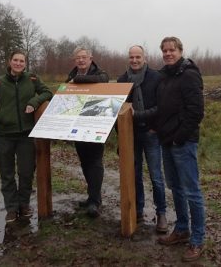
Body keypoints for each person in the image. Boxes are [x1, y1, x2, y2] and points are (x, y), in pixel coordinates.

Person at [0, 50, 53, 223]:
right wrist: (2, 118)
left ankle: (24, 205)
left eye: (22, 61)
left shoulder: (32, 79)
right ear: (10, 61)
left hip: (26, 136)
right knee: (7, 174)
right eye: (15, 60)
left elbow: (47, 93)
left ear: (25, 63)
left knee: (26, 172)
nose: (18, 63)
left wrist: (34, 102)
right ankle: (12, 209)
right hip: (2, 136)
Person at [155, 37, 206, 262]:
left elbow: (196, 112)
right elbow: (162, 108)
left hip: (182, 143)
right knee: (175, 188)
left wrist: (178, 138)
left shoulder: (189, 75)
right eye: (165, 51)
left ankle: (197, 240)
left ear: (180, 51)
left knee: (192, 191)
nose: (168, 54)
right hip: (166, 141)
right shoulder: (164, 75)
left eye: (172, 50)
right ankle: (182, 229)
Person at [117, 45, 168, 233]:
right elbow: (118, 110)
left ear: (144, 58)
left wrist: (140, 117)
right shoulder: (122, 80)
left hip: (151, 134)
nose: (135, 60)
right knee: (134, 175)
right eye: (131, 57)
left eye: (138, 56)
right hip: (130, 136)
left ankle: (161, 213)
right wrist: (120, 136)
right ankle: (137, 210)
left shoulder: (155, 77)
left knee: (156, 176)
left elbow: (161, 107)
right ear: (128, 58)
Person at [66, 46, 109, 218]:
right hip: (78, 126)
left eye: (84, 57)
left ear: (91, 58)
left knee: (95, 162)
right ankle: (92, 196)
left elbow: (103, 80)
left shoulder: (100, 73)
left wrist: (77, 81)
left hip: (96, 124)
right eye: (78, 58)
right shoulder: (71, 75)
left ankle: (95, 201)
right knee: (84, 162)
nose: (81, 60)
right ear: (75, 60)